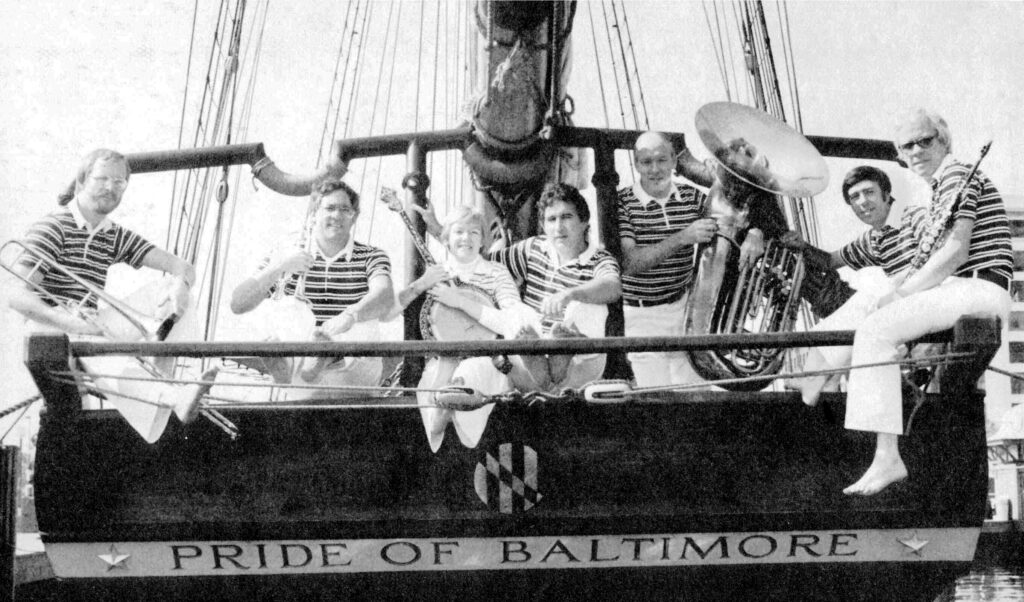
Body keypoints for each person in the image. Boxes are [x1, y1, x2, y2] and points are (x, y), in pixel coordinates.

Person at [836, 109, 1011, 496]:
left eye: (924, 141)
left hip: (977, 287)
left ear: (944, 141)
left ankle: (887, 457)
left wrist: (901, 295)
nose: (915, 151)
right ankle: (884, 452)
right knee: (878, 325)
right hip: (966, 288)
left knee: (876, 329)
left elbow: (956, 251)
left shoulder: (956, 173)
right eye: (907, 146)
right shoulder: (941, 185)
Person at [7, 148, 199, 442]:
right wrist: (69, 322)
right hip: (51, 330)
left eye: (119, 182)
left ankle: (167, 384)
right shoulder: (54, 226)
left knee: (168, 288)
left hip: (87, 321)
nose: (111, 188)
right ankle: (169, 397)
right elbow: (15, 296)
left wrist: (180, 285)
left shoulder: (112, 234)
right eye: (102, 179)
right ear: (81, 182)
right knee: (99, 351)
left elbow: (182, 267)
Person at [230, 177, 394, 397]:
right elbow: (238, 304)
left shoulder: (370, 256)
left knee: (363, 320)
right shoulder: (288, 252)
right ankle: (288, 365)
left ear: (354, 217)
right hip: (302, 376)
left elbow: (385, 295)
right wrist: (280, 267)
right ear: (314, 213)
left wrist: (350, 315)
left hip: (352, 375)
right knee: (291, 305)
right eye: (330, 208)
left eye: (345, 210)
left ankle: (322, 355)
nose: (337, 215)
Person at [393, 205, 527, 452]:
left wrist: (461, 302)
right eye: (459, 232)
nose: (466, 238)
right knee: (436, 381)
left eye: (474, 232)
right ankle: (442, 415)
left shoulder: (496, 273)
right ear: (446, 238)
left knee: (466, 376)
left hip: (486, 359)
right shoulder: (435, 274)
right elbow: (389, 312)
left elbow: (513, 319)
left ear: (483, 241)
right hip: (443, 359)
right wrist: (421, 284)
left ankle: (449, 410)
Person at [784, 166, 925, 398]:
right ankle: (821, 381)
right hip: (902, 309)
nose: (862, 202)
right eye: (854, 197)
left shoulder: (913, 218)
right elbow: (830, 261)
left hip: (924, 303)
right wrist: (803, 246)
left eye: (869, 192)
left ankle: (817, 380)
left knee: (865, 303)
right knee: (850, 315)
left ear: (886, 194)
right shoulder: (874, 238)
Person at [489, 182, 622, 392]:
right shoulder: (533, 249)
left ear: (584, 221)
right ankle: (544, 363)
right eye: (552, 219)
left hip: (580, 365)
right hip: (533, 357)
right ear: (543, 225)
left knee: (584, 306)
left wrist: (570, 294)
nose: (558, 227)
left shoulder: (599, 259)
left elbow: (613, 287)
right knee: (514, 309)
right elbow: (481, 264)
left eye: (566, 217)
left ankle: (561, 351)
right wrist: (441, 231)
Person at [615, 132, 719, 387]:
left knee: (699, 398)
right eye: (646, 162)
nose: (655, 169)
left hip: (684, 311)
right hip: (640, 318)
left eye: (661, 160)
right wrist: (683, 237)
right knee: (657, 400)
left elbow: (730, 221)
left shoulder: (692, 197)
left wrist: (755, 234)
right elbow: (630, 263)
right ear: (636, 164)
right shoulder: (622, 203)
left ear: (674, 161)